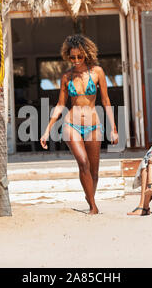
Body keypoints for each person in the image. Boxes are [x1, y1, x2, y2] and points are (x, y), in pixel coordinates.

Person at [40, 34, 119, 214]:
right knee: (83, 163)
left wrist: (113, 128)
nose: (75, 60)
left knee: (94, 171)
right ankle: (93, 206)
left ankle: (89, 194)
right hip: (71, 125)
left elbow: (106, 101)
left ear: (86, 54)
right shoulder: (66, 77)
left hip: (94, 126)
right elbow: (61, 104)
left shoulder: (97, 72)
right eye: (72, 57)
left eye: (79, 56)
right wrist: (47, 130)